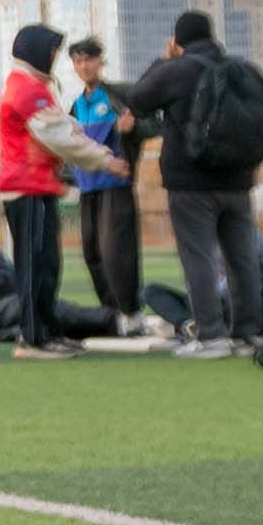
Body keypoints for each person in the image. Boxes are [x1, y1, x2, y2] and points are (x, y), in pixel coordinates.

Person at [120, 10, 263, 359]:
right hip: (239, 182)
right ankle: (246, 333)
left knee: (198, 257)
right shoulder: (245, 70)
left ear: (178, 41)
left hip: (190, 183)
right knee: (242, 258)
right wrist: (248, 151)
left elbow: (136, 100)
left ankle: (211, 335)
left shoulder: (178, 70)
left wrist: (162, 60)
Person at [0, 24, 128, 359]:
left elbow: (67, 126)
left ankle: (46, 331)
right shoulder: (27, 89)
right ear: (38, 50)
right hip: (24, 190)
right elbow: (60, 137)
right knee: (33, 267)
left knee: (48, 266)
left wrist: (95, 146)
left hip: (38, 187)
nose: (57, 57)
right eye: (55, 51)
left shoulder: (35, 86)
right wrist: (105, 160)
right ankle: (32, 338)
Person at [65, 36, 151, 331]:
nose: (84, 66)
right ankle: (110, 313)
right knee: (92, 253)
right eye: (78, 61)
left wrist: (132, 126)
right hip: (87, 187)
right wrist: (110, 128)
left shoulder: (118, 95)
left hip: (115, 184)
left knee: (118, 252)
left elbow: (151, 123)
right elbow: (70, 142)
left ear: (101, 61)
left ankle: (131, 312)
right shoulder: (75, 105)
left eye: (89, 59)